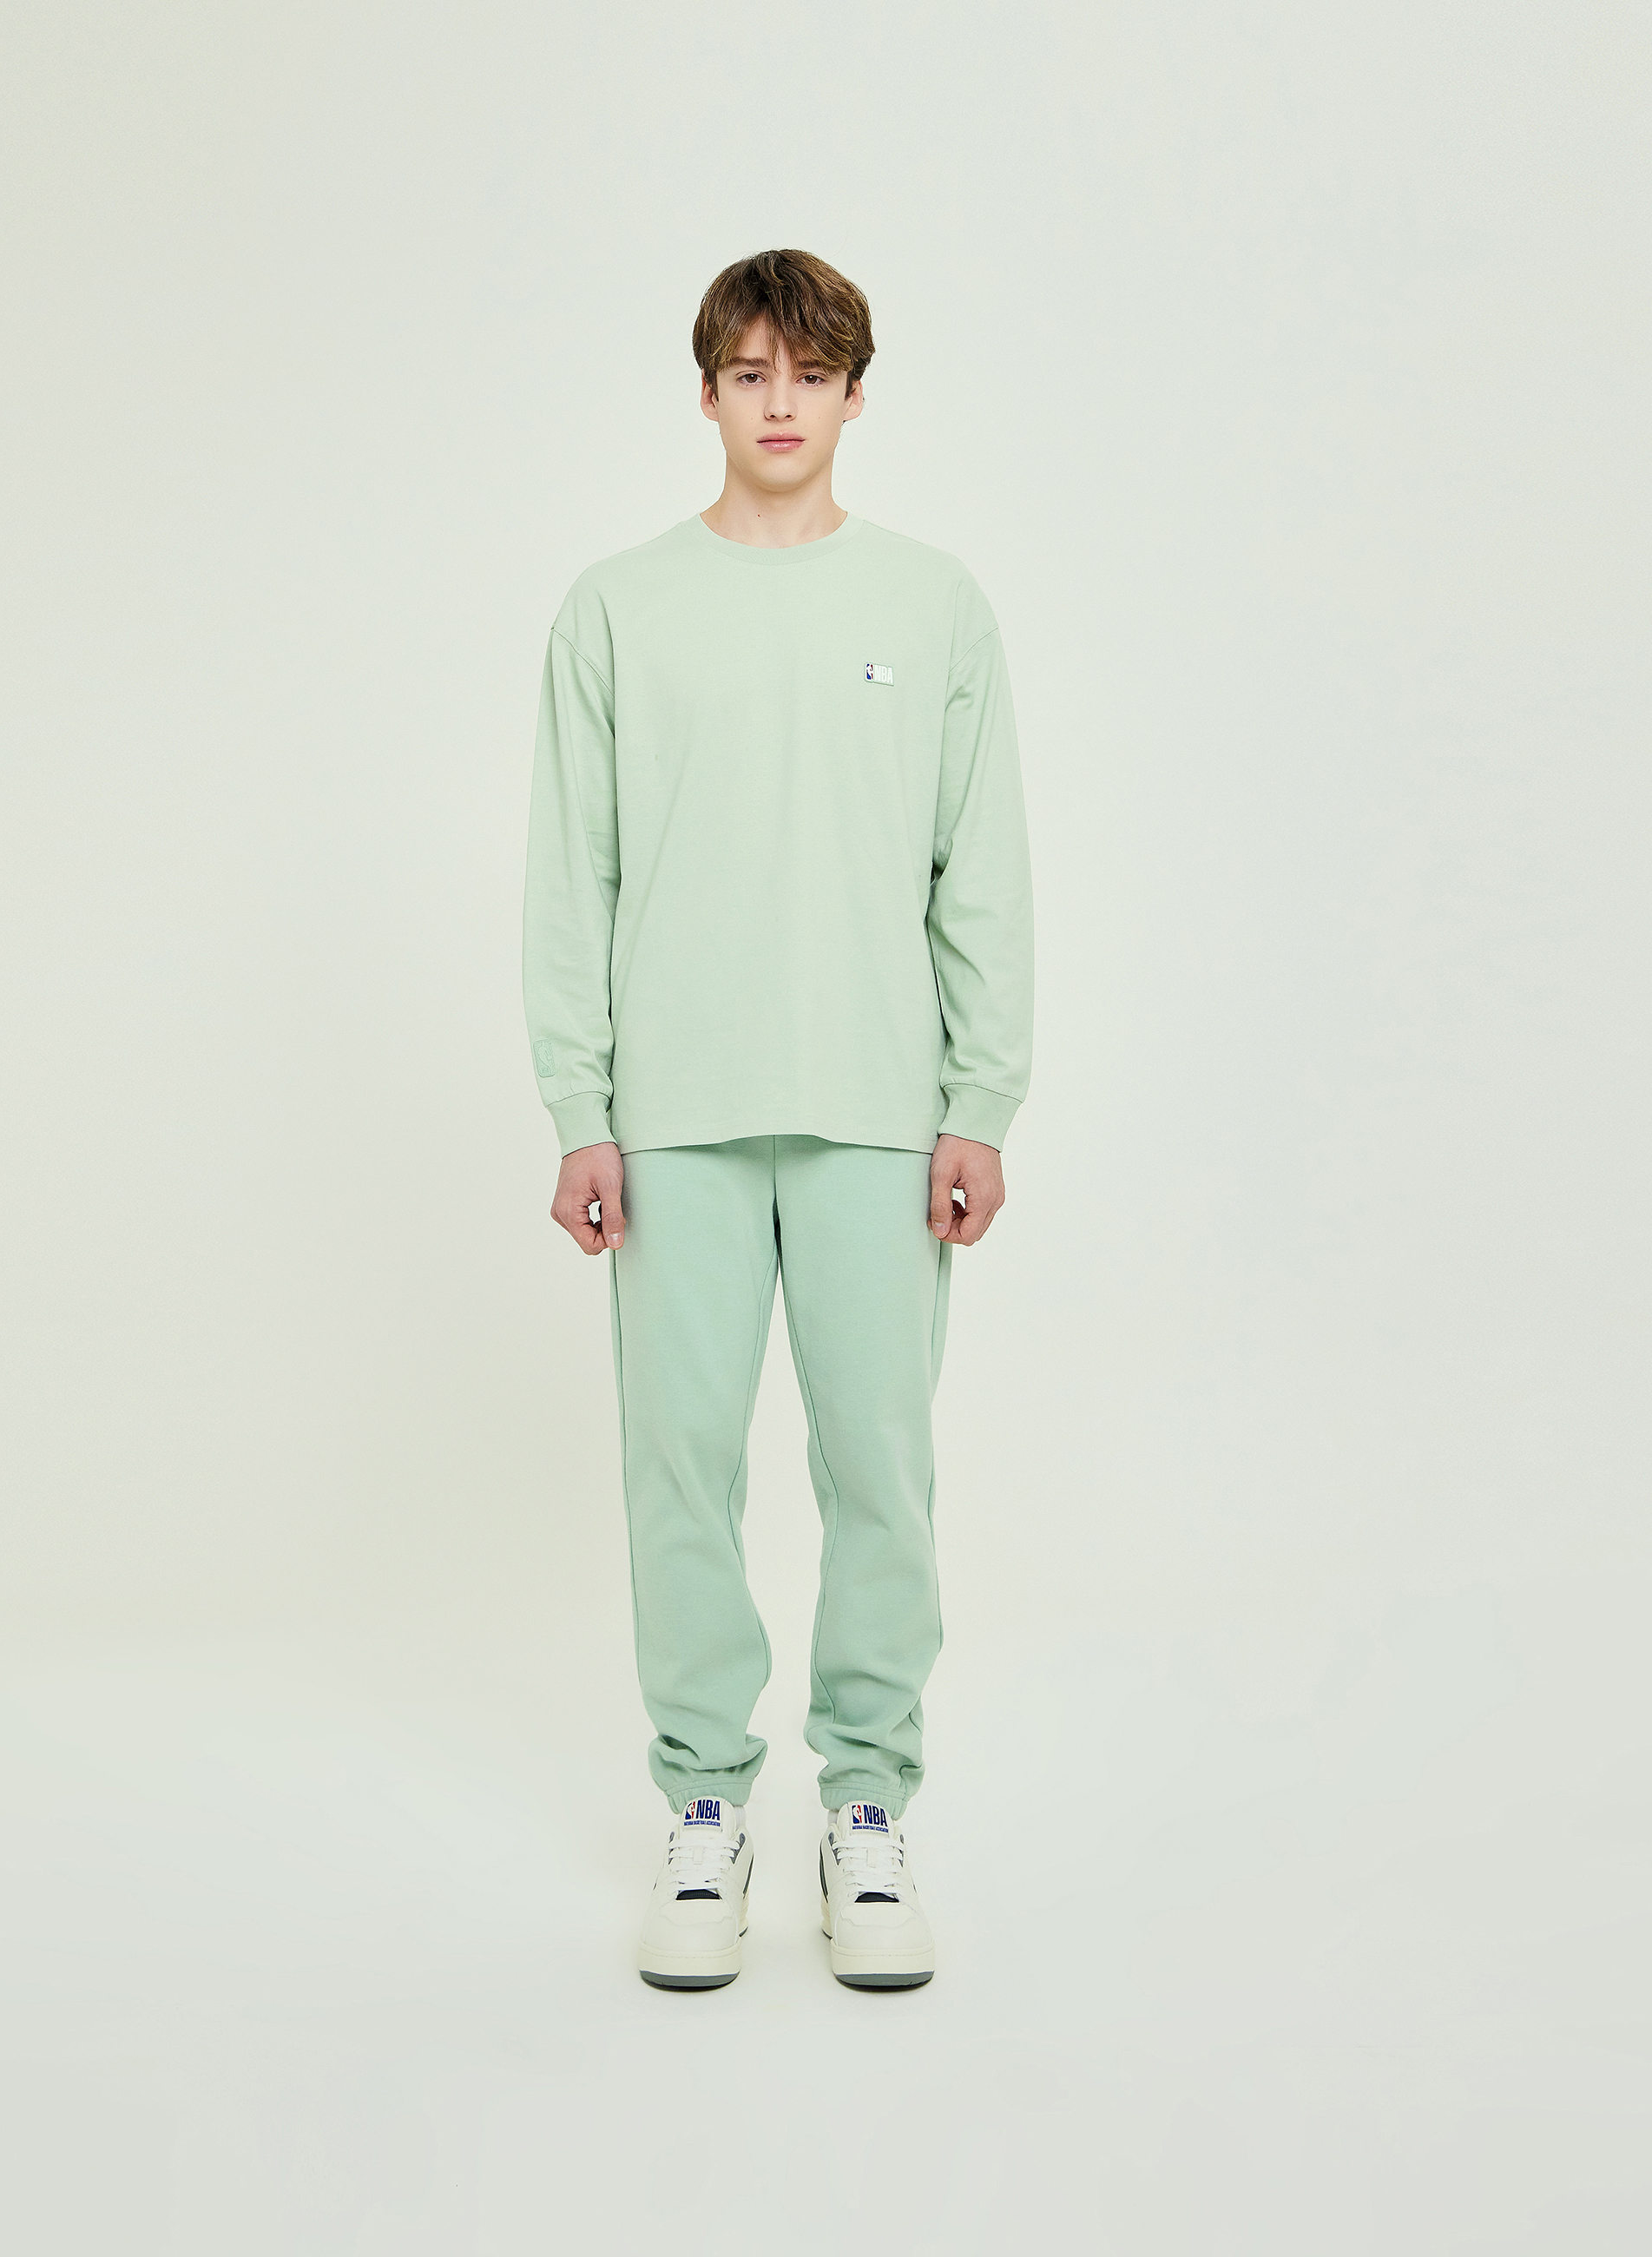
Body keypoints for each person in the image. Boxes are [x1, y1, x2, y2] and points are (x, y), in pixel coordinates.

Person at [521, 247, 1033, 1991]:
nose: (782, 400)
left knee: (879, 1468)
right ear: (708, 394)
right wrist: (580, 1108)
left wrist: (980, 1098)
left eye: (811, 372)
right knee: (679, 1465)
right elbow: (571, 876)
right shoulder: (616, 608)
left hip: (880, 1108)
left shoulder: (934, 604)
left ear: (855, 393)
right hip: (672, 1112)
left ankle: (866, 1808)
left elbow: (981, 868)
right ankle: (705, 1808)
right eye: (750, 372)